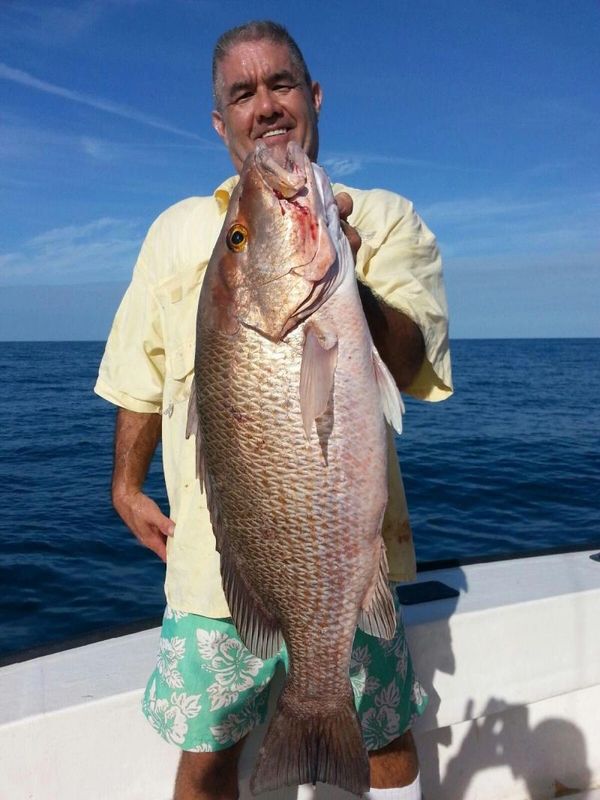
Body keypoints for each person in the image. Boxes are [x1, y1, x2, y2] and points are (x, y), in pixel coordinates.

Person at [95, 20, 452, 800]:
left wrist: (344, 274)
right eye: (242, 93)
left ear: (313, 96)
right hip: (205, 570)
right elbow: (139, 372)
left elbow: (412, 364)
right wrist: (125, 484)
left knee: (386, 750)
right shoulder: (176, 232)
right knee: (209, 758)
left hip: (347, 555)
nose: (266, 106)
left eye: (281, 83)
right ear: (222, 121)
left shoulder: (386, 220)